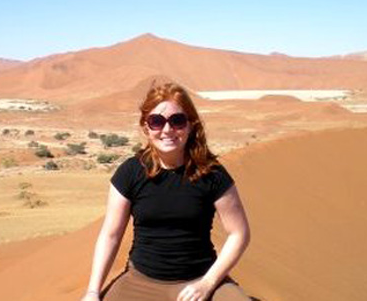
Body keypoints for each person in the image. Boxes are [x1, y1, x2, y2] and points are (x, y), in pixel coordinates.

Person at [81, 82, 251, 301]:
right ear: (146, 127)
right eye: (157, 121)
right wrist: (93, 291)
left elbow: (239, 233)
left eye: (178, 121)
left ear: (190, 125)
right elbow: (111, 235)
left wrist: (208, 283)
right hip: (140, 282)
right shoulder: (131, 172)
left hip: (199, 279)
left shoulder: (212, 174)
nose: (168, 130)